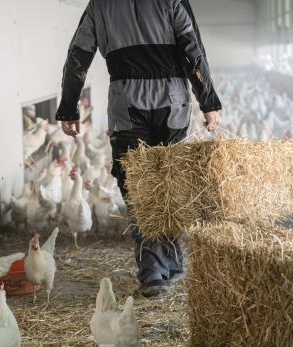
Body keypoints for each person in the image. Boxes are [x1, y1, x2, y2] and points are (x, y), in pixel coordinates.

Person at [56, 0, 222, 297]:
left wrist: (69, 107)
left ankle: (154, 270)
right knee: (171, 184)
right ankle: (166, 263)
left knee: (138, 187)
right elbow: (192, 49)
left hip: (126, 103)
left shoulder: (100, 5)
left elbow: (78, 55)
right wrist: (208, 101)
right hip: (172, 102)